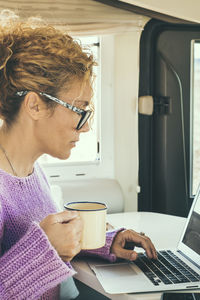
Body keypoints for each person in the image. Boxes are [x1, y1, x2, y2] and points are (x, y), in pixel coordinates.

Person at [0, 9, 157, 300]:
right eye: (80, 110)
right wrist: (45, 248)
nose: (86, 128)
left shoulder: (33, 171)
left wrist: (101, 243)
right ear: (34, 106)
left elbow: (39, 246)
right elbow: (39, 250)